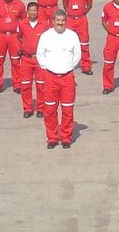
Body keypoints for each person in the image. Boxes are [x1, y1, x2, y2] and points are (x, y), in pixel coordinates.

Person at [36, 10, 82, 149]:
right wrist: (48, 67)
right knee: (50, 109)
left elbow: (77, 55)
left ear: (66, 22)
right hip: (50, 77)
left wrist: (68, 67)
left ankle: (66, 137)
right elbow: (40, 54)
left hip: (67, 77)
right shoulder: (46, 36)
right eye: (58, 20)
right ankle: (52, 138)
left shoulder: (72, 36)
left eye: (63, 20)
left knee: (67, 110)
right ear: (53, 21)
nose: (60, 23)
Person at [17, 2, 51, 118]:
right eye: (30, 10)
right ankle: (27, 108)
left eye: (35, 10)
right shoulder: (22, 24)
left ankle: (41, 108)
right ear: (27, 11)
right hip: (26, 59)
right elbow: (19, 37)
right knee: (25, 85)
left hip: (40, 59)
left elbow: (48, 40)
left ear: (38, 11)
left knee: (41, 85)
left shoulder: (45, 24)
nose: (33, 13)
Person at [62, 0, 94, 75]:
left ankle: (86, 67)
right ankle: (67, 66)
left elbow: (89, 4)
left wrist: (83, 12)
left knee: (84, 44)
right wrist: (70, 12)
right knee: (68, 44)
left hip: (82, 20)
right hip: (70, 20)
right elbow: (65, 4)